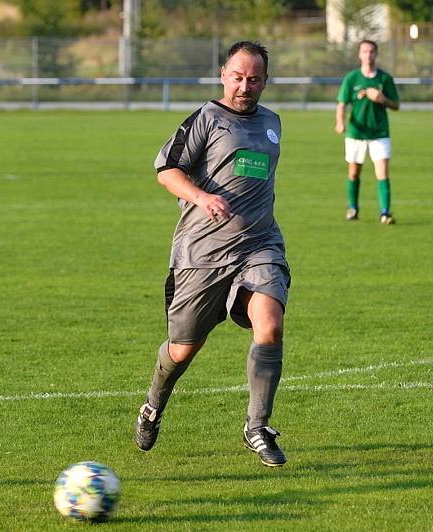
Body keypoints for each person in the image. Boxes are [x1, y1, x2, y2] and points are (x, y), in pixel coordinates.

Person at [134, 41, 290, 468]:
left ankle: (257, 426)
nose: (245, 86)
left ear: (265, 81)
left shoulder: (273, 123)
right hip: (202, 253)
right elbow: (166, 169)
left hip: (260, 245)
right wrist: (201, 197)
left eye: (254, 79)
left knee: (270, 325)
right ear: (223, 74)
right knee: (183, 349)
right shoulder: (205, 119)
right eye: (237, 77)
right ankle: (153, 405)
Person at [335, 39, 400, 224]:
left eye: (371, 51)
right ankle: (353, 208)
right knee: (354, 172)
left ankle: (385, 212)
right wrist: (340, 122)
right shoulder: (352, 78)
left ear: (376, 54)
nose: (368, 55)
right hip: (356, 133)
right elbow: (342, 104)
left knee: (382, 173)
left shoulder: (384, 79)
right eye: (365, 51)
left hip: (379, 133)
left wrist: (382, 99)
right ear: (359, 54)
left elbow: (396, 105)